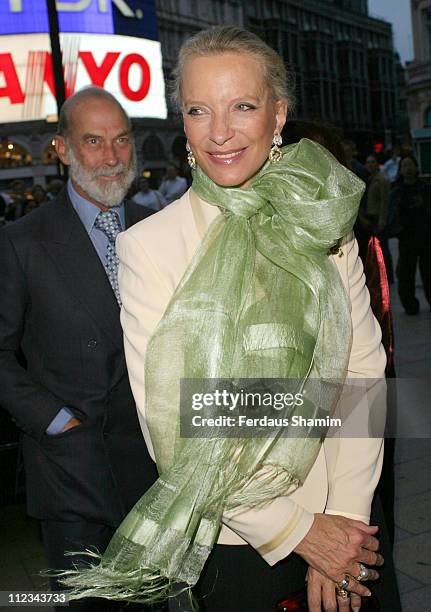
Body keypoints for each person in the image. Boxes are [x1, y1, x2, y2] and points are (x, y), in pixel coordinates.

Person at [61, 28, 386, 612]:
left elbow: (361, 372)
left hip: (349, 513)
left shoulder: (322, 222)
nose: (219, 132)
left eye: (243, 106)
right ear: (182, 121)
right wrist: (300, 533)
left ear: (278, 114)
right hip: (239, 541)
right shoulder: (150, 247)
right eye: (198, 110)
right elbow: (174, 424)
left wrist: (346, 519)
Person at [0, 87, 159, 611]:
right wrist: (52, 419)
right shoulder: (22, 241)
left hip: (155, 468)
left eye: (121, 140)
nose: (112, 157)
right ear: (63, 149)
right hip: (72, 471)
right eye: (93, 142)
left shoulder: (156, 229)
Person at [392, 155, 431, 314]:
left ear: (416, 168)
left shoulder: (426, 189)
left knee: (429, 272)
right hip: (406, 238)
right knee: (406, 273)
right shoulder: (396, 192)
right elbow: (391, 214)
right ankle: (410, 305)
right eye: (404, 165)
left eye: (410, 165)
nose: (408, 168)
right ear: (401, 170)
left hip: (427, 237)